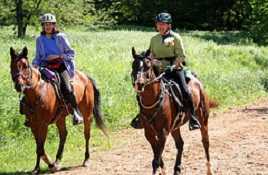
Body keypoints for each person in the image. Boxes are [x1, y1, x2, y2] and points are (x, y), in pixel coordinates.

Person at [131, 12, 201, 130]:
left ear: (169, 25)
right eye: (158, 24)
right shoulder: (154, 39)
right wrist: (148, 62)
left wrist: (173, 66)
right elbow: (151, 55)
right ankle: (142, 116)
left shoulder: (176, 37)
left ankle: (192, 118)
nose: (160, 26)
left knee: (185, 91)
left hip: (175, 69)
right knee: (142, 90)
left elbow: (181, 56)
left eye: (163, 24)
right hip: (158, 69)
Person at [31, 13, 83, 125]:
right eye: (45, 24)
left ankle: (75, 112)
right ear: (43, 26)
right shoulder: (39, 39)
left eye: (50, 24)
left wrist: (58, 56)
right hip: (45, 66)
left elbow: (71, 54)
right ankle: (31, 115)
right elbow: (38, 57)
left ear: (54, 25)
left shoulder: (61, 37)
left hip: (60, 65)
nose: (48, 27)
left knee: (67, 88)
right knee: (31, 86)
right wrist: (34, 66)